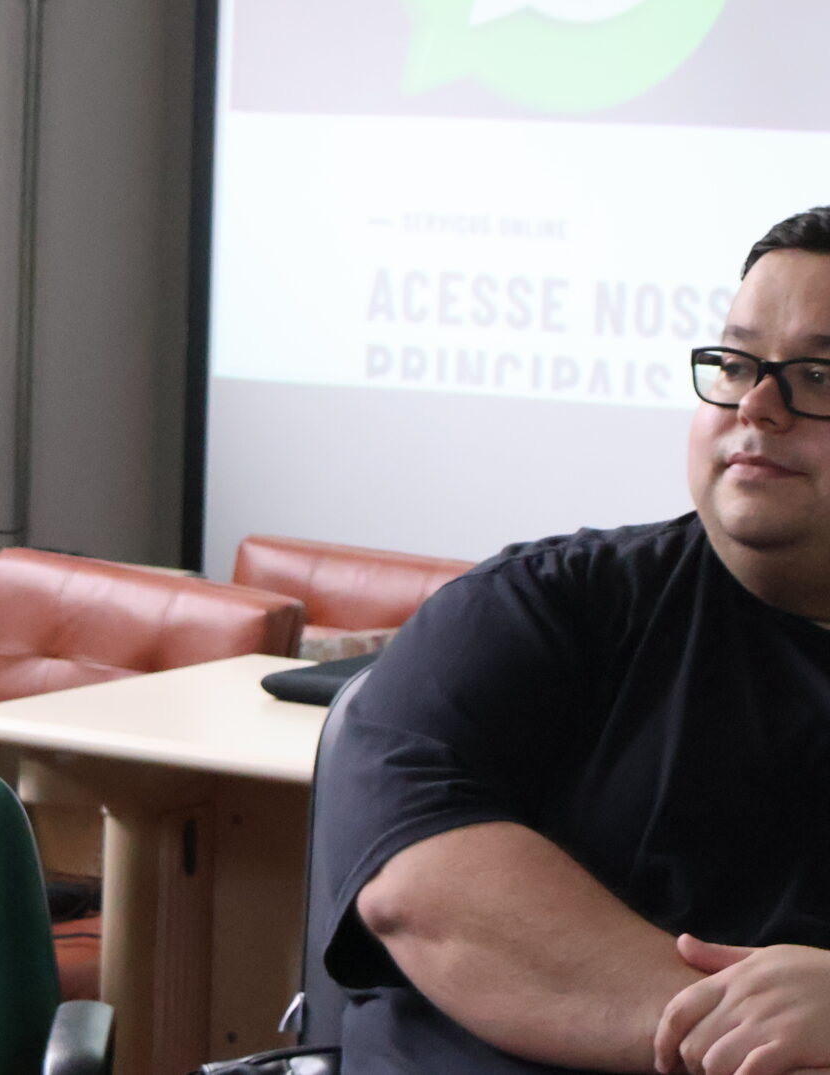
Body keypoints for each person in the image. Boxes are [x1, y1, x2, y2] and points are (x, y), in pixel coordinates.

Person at [316, 206, 830, 1075]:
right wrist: (759, 1040)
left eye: (817, 375)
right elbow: (423, 894)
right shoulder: (534, 608)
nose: (756, 405)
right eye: (737, 363)